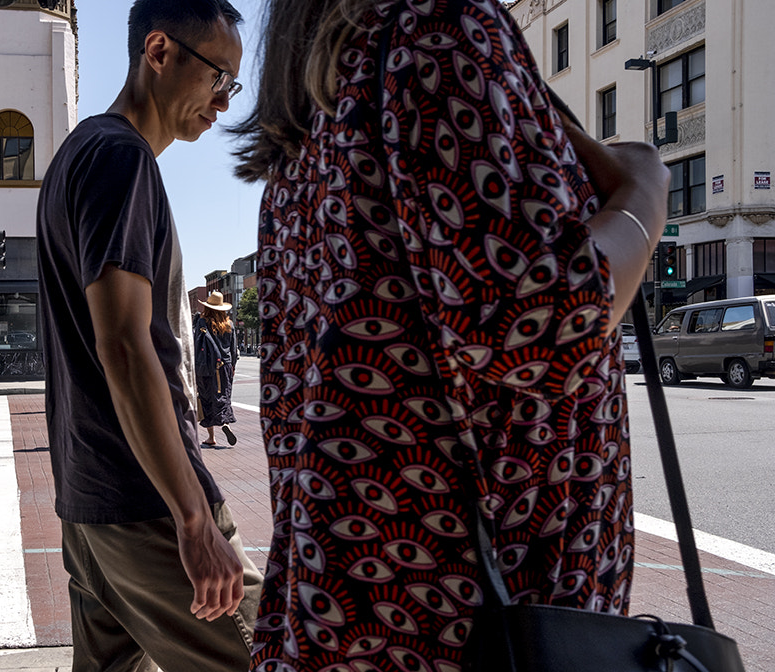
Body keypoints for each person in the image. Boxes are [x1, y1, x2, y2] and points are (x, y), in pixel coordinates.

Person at [231, 0, 669, 669]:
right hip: (482, 617)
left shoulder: (314, 113)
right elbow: (548, 322)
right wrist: (645, 193)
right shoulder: (436, 27)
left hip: (357, 607)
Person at [36, 2, 261, 670]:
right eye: (218, 78)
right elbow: (126, 346)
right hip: (146, 506)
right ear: (158, 51)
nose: (223, 104)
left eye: (233, 88)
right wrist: (193, 519)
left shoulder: (79, 154)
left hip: (91, 502)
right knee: (270, 655)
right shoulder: (120, 159)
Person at [195, 291, 239, 447]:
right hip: (225, 366)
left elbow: (196, 346)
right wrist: (232, 365)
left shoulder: (202, 322)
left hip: (206, 366)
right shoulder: (229, 324)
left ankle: (211, 437)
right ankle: (225, 423)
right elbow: (234, 349)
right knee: (223, 396)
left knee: (206, 398)